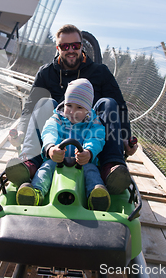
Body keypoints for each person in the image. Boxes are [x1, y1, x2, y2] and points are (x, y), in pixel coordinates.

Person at [6, 24, 138, 195]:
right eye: (65, 46)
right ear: (58, 48)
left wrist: (126, 138)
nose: (70, 50)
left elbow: (119, 106)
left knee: (108, 103)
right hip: (54, 137)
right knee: (44, 102)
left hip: (89, 134)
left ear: (82, 46)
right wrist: (21, 131)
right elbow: (30, 106)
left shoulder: (100, 72)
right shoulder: (46, 73)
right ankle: (30, 161)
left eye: (75, 45)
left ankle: (111, 167)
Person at [14, 79, 111, 211]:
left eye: (79, 107)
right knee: (45, 168)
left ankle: (95, 196)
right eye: (69, 105)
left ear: (88, 110)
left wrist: (88, 152)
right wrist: (51, 148)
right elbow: (49, 131)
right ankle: (36, 193)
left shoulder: (93, 123)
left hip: (82, 161)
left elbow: (96, 137)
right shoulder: (57, 118)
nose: (72, 111)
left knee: (92, 172)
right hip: (58, 159)